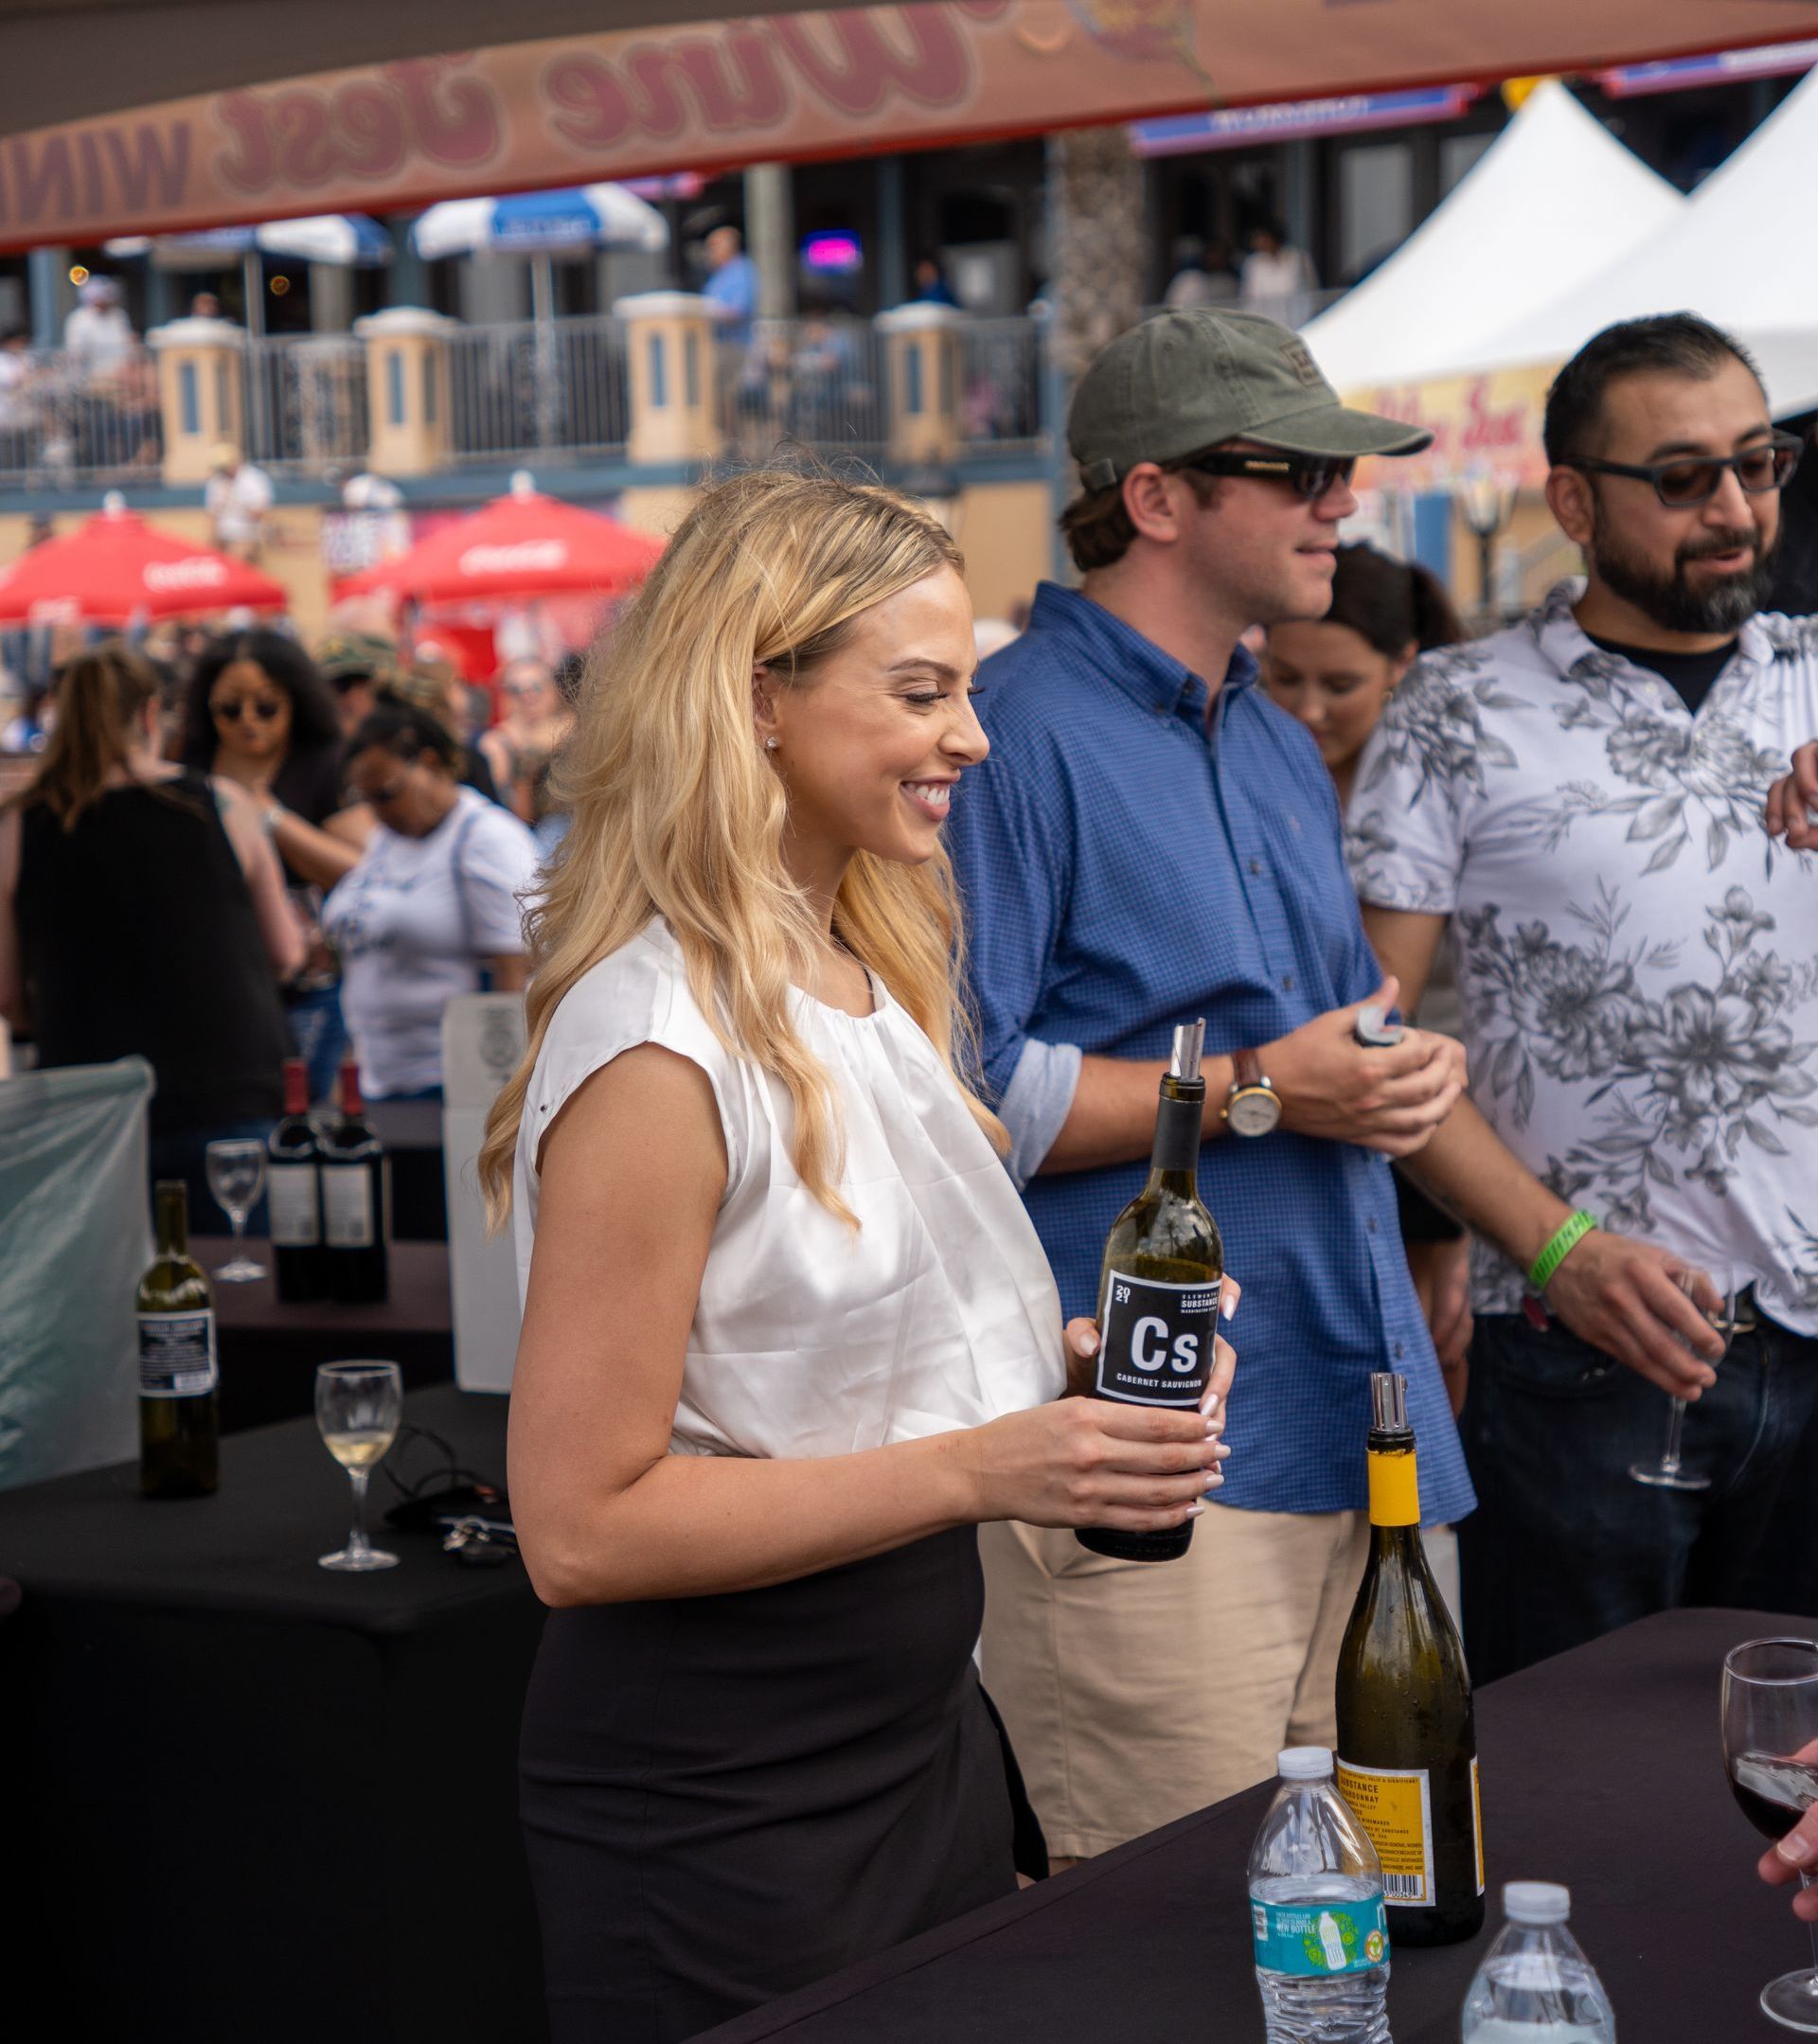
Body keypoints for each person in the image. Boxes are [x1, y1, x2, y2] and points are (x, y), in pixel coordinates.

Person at [472, 468, 1238, 2041]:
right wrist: (989, 1462)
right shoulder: (655, 1045)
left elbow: (843, 1368)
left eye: (966, 686)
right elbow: (580, 1529)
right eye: (923, 690)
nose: (973, 734)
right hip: (719, 1791)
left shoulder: (862, 967)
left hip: (919, 1737)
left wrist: (1084, 1388)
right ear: (760, 697)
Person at [945, 309, 1470, 1863]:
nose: (1342, 498)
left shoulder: (1270, 732)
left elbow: (1320, 1049)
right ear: (1160, 497)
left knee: (1388, 1908)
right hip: (1161, 1439)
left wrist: (1380, 1085)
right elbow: (958, 1100)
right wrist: (1267, 1087)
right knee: (1181, 1945)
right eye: (1300, 467)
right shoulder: (1014, 729)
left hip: (1359, 1406)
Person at [1348, 313, 1818, 1685]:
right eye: (1681, 477)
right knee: (1581, 1790)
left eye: (1758, 462)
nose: (1735, 508)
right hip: (1582, 1347)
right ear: (1571, 498)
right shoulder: (1452, 708)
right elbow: (1362, 1042)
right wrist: (1561, 1254)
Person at [1263, 542, 1474, 1393]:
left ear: (1403, 667)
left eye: (1340, 686)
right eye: (1284, 678)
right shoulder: (1254, 780)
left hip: (1445, 1133)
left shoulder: (1442, 791)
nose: (1309, 708)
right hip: (1310, 1133)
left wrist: (1457, 1226)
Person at [0, 642, 301, 1218]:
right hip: (229, 1087)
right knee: (248, 1287)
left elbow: (10, 997)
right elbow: (285, 952)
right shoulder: (222, 804)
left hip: (90, 1106)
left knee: (119, 1296)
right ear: (148, 714)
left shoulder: (20, 826)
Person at [181, 630, 368, 1099]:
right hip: (217, 980)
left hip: (310, 982)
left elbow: (361, 867)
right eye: (228, 708)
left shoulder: (326, 762)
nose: (247, 721)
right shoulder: (188, 761)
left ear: (296, 701)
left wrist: (267, 815)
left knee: (296, 1110)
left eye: (266, 707)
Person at [322, 702, 539, 1102]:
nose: (378, 811)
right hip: (382, 1078)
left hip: (452, 1085)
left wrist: (496, 1097)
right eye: (365, 798)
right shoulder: (389, 839)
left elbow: (514, 971)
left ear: (429, 763)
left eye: (387, 793)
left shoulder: (485, 838)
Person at [480, 658, 573, 826]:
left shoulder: (573, 727)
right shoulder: (497, 743)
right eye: (516, 690)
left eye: (536, 687)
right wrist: (525, 760)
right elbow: (514, 818)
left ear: (554, 690)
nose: (527, 697)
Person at [1239, 222, 1319, 328]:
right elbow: (1250, 297)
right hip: (1265, 324)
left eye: (1263, 237)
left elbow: (1312, 290)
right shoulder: (1254, 263)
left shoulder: (1298, 258)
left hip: (1297, 320)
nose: (1259, 242)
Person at [204, 442, 274, 560]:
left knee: (235, 560)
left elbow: (261, 514)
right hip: (223, 534)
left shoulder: (253, 479)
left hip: (246, 533)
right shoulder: (216, 482)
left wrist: (238, 500)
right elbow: (212, 514)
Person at [62, 276, 134, 381]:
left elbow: (127, 344)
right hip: (91, 377)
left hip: (120, 374)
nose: (104, 302)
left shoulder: (118, 316)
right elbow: (75, 352)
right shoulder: (79, 319)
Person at [701, 223, 758, 349]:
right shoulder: (716, 277)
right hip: (717, 346)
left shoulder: (742, 270)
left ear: (729, 246)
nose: (709, 252)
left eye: (713, 247)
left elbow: (739, 311)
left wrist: (713, 312)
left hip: (738, 347)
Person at [1163, 235, 1238, 311]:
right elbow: (1172, 308)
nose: (1215, 258)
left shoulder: (1229, 282)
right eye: (1212, 252)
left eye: (1221, 254)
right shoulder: (1188, 278)